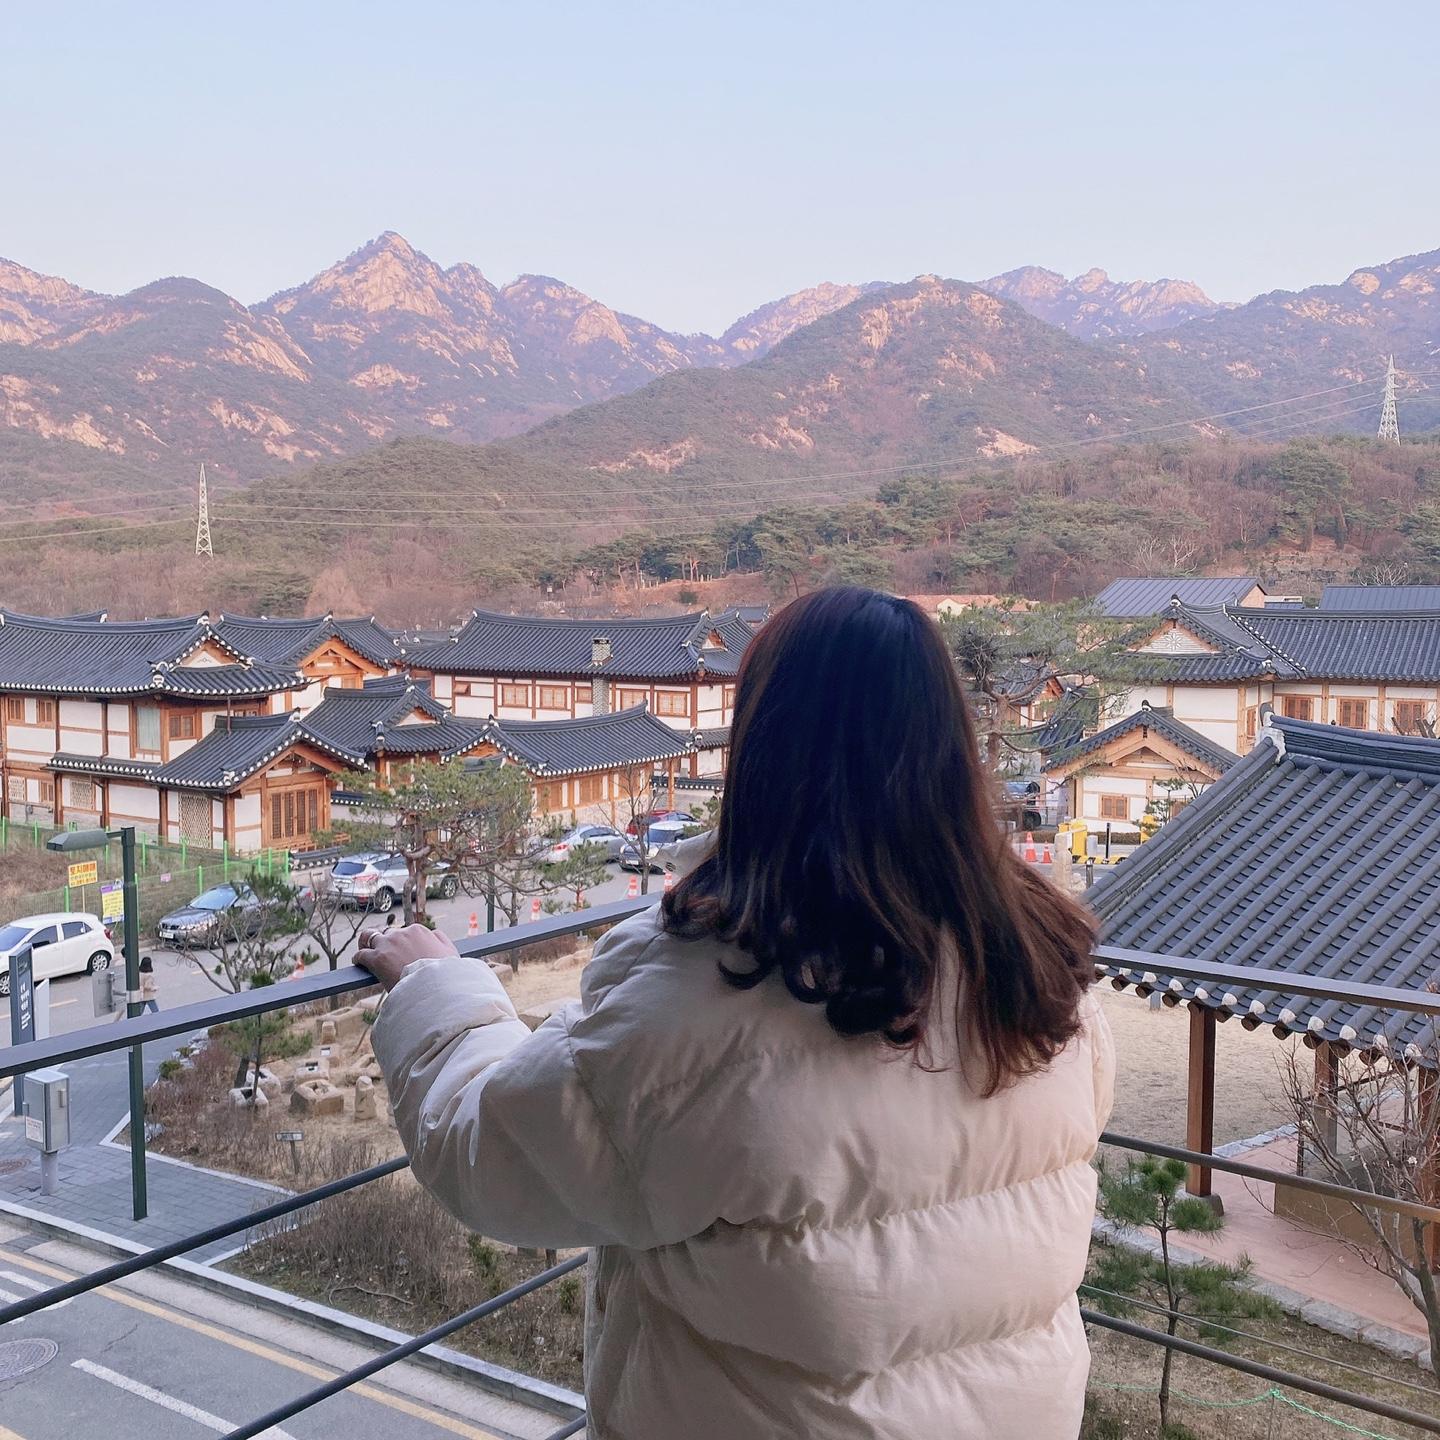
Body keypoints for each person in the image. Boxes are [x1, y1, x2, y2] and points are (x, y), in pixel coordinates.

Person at [359, 586, 1114, 1440]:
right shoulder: (1043, 968)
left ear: (763, 747)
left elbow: (493, 1161)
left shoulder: (709, 992)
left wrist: (439, 994)